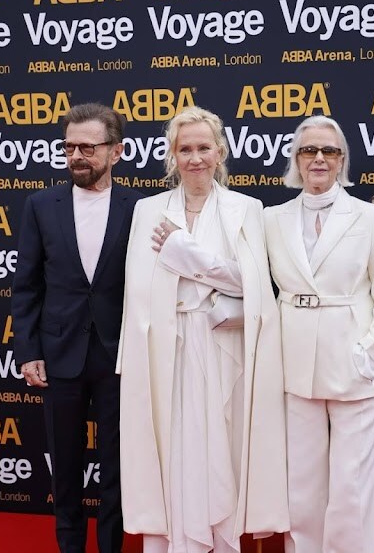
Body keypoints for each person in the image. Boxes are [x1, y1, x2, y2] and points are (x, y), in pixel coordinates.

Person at [117, 105, 289, 553]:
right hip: (166, 350)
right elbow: (139, 288)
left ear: (220, 152)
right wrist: (205, 268)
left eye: (204, 148)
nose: (195, 158)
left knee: (220, 449)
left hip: (222, 346)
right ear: (172, 155)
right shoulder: (147, 210)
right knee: (172, 449)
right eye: (185, 149)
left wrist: (185, 253)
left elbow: (253, 282)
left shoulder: (246, 208)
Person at [263, 116, 374, 553]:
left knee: (352, 483)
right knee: (302, 483)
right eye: (309, 150)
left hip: (355, 362)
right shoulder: (271, 219)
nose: (318, 158)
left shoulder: (369, 215)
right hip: (293, 363)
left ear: (342, 160)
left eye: (329, 151)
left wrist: (372, 353)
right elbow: (251, 281)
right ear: (296, 159)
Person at [11, 103, 142, 553]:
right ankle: (70, 546)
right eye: (69, 147)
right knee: (64, 466)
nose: (76, 156)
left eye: (88, 147)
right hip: (58, 355)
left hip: (118, 356)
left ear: (116, 151)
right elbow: (26, 285)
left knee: (116, 467)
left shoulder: (139, 208)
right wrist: (29, 351)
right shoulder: (39, 205)